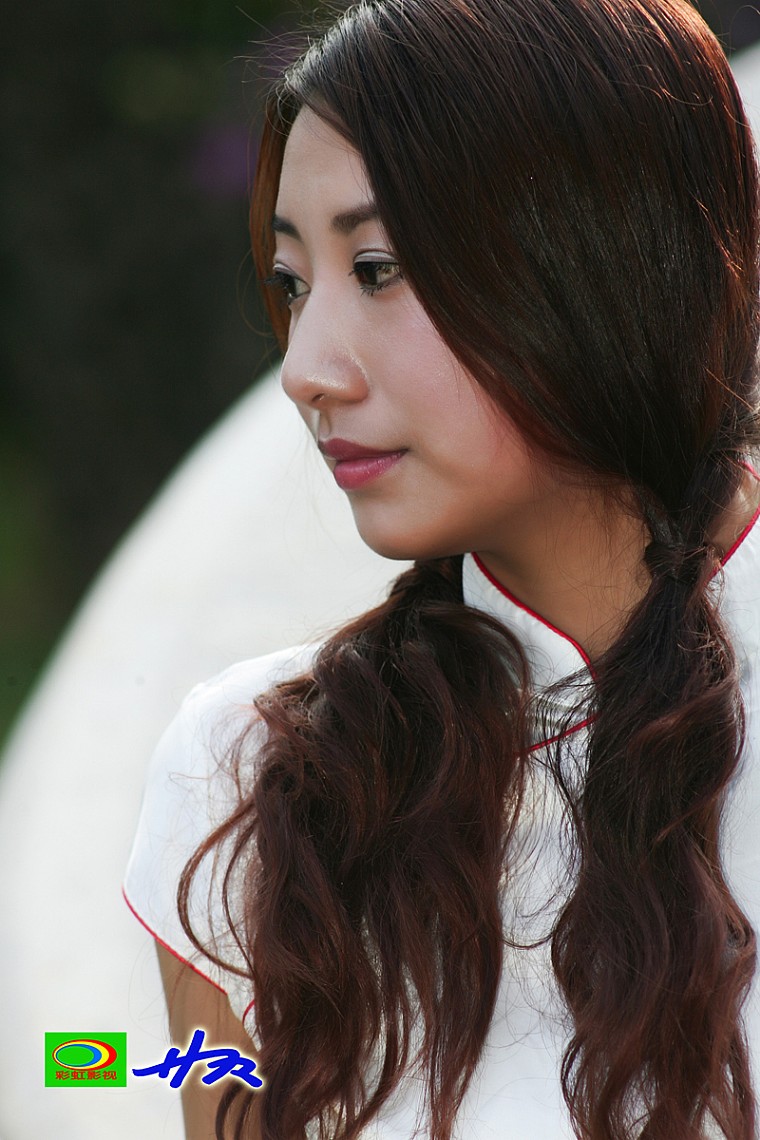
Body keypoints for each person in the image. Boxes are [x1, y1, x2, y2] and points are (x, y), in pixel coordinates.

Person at [124, 0, 760, 1136]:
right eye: (292, 283)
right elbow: (177, 1077)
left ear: (607, 257)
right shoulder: (253, 775)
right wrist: (120, 1059)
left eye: (376, 267)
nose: (305, 370)